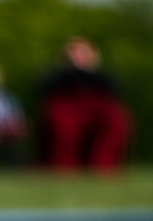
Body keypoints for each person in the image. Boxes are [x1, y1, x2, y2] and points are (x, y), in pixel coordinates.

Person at [38, 36, 131, 172]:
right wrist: (72, 72)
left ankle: (103, 165)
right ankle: (64, 166)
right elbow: (46, 90)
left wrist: (86, 72)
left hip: (97, 110)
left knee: (115, 118)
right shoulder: (58, 76)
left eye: (83, 53)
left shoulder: (102, 76)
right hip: (67, 110)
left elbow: (113, 91)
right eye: (75, 52)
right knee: (61, 122)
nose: (79, 57)